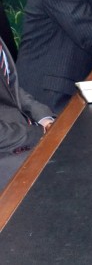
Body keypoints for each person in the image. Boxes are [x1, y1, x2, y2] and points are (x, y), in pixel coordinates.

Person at [0, 37, 55, 189]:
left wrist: (44, 117)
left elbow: (10, 88)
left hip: (21, 132)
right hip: (8, 150)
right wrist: (39, 133)